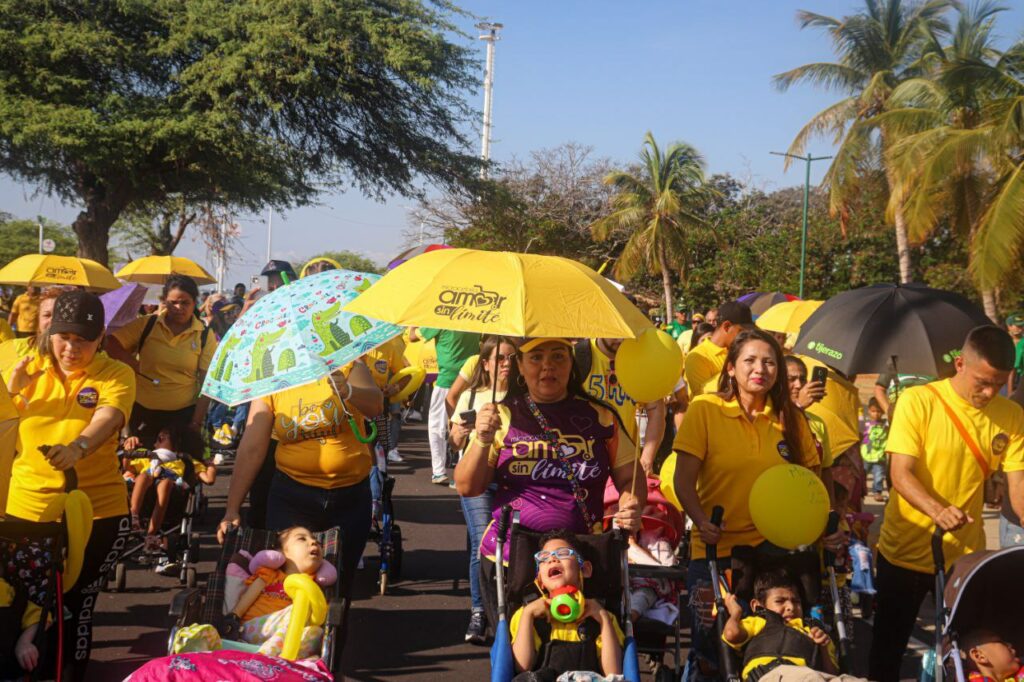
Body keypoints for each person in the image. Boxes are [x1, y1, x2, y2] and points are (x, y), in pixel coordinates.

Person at [454, 337, 643, 632]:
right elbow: (468, 486)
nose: (547, 366)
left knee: (587, 648)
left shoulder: (602, 416)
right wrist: (482, 438)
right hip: (511, 559)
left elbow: (630, 477)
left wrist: (631, 504)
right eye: (536, 357)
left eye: (558, 356)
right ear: (519, 365)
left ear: (571, 363)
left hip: (583, 559)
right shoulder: (501, 416)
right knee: (518, 649)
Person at [869, 325, 1024, 682]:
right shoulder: (918, 401)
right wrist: (938, 510)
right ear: (960, 364)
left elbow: (1017, 487)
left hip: (964, 563)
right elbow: (900, 474)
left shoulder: (1011, 415)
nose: (989, 392)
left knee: (967, 658)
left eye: (998, 384)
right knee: (887, 653)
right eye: (982, 382)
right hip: (904, 552)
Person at [672, 327, 824, 680]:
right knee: (712, 649)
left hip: (776, 552)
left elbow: (811, 485)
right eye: (750, 360)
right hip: (716, 551)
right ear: (731, 368)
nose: (760, 369)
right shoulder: (705, 409)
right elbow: (683, 480)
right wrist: (701, 520)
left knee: (774, 645)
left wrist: (823, 527)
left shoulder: (791, 419)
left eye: (769, 362)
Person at [4, 290, 135, 681]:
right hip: (26, 509)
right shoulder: (24, 366)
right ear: (50, 332)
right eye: (64, 337)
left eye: (83, 340)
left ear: (101, 337)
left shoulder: (116, 373)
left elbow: (108, 417)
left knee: (74, 605)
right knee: (22, 604)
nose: (71, 349)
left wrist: (79, 447)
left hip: (97, 510)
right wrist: (11, 390)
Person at [217, 360, 383, 608]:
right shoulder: (272, 378)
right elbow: (252, 448)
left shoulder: (348, 364)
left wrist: (348, 390)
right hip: (292, 498)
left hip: (350, 498)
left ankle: (332, 634)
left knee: (339, 588)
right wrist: (232, 509)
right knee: (288, 585)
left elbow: (376, 405)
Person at [174, 526, 335, 658]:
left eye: (317, 542)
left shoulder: (313, 586)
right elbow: (250, 595)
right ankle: (262, 657)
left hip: (287, 641)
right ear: (282, 552)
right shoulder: (271, 574)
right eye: (302, 539)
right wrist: (234, 616)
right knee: (297, 611)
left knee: (315, 632)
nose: (313, 542)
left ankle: (267, 657)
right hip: (253, 628)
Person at [448, 336, 516, 644]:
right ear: (485, 364)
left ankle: (508, 607)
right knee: (483, 543)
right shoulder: (471, 396)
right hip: (478, 481)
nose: (506, 364)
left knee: (513, 545)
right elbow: (454, 442)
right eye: (500, 358)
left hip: (512, 479)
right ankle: (479, 610)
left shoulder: (523, 398)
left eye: (512, 358)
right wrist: (462, 432)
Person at [106, 275, 217, 448]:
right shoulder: (147, 324)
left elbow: (206, 383)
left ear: (194, 303)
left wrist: (196, 422)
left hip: (182, 416)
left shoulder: (204, 334)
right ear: (164, 301)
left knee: (175, 464)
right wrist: (132, 363)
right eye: (173, 302)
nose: (179, 308)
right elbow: (110, 343)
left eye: (185, 303)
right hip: (142, 412)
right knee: (137, 462)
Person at [510, 529, 624, 678]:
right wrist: (528, 615)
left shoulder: (602, 617)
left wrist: (604, 619)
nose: (552, 559)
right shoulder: (527, 615)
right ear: (540, 579)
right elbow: (522, 667)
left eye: (563, 553)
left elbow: (613, 673)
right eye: (544, 557)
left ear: (585, 569)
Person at [123, 425, 214, 565]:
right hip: (147, 492)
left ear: (178, 442)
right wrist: (128, 451)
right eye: (158, 438)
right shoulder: (147, 455)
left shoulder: (186, 460)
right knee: (142, 476)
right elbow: (127, 467)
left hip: (173, 495)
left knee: (165, 482)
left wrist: (211, 465)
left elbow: (209, 479)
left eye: (161, 438)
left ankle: (151, 534)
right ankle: (133, 515)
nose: (156, 442)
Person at [722, 572, 838, 681]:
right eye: (780, 601)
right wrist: (735, 613)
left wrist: (822, 647)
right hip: (773, 675)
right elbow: (732, 634)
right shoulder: (759, 622)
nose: (790, 607)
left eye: (796, 601)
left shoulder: (814, 630)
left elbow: (832, 674)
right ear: (757, 605)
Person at [579, 337, 666, 476]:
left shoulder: (640, 360)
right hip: (584, 464)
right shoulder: (577, 356)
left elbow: (655, 409)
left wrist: (646, 459)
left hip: (627, 466)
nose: (620, 339)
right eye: (616, 333)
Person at [412, 327, 481, 485]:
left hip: (447, 381)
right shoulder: (474, 318)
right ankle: (463, 473)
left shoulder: (439, 319)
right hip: (470, 379)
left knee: (437, 426)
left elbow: (412, 336)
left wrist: (414, 322)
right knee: (467, 427)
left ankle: (438, 471)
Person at [684, 301, 752, 399]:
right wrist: (734, 371)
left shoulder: (740, 350)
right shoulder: (697, 356)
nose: (745, 337)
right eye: (741, 331)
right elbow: (702, 397)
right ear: (727, 326)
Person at [363, 335, 409, 463]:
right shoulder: (350, 349)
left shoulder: (388, 347)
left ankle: (379, 472)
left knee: (380, 450)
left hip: (379, 406)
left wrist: (395, 388)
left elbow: (406, 375)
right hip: (354, 407)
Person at [860, 398, 889, 502]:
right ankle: (860, 490)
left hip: (880, 456)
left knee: (879, 475)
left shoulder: (885, 425)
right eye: (873, 411)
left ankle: (877, 492)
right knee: (863, 474)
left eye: (879, 411)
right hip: (866, 456)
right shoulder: (865, 424)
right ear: (869, 410)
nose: (876, 414)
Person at [1008, 313, 1024, 391]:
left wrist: (1010, 393)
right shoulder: (1003, 340)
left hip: (1019, 379)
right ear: (1009, 326)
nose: (1020, 329)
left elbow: (1013, 370)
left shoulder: (1022, 344)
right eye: (1018, 326)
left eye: (1022, 326)